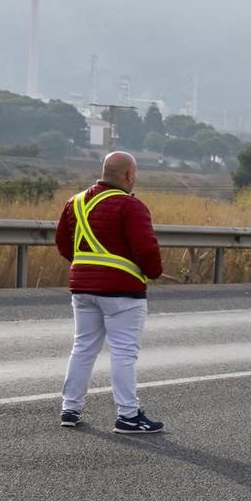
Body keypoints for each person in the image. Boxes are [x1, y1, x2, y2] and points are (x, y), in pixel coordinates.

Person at [55, 150, 165, 432]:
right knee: (123, 352)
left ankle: (70, 409)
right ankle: (128, 415)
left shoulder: (74, 203)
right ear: (129, 175)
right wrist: (152, 272)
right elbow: (147, 249)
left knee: (82, 348)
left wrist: (88, 270)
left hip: (82, 288)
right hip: (122, 292)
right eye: (134, 175)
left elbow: (65, 245)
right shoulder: (130, 206)